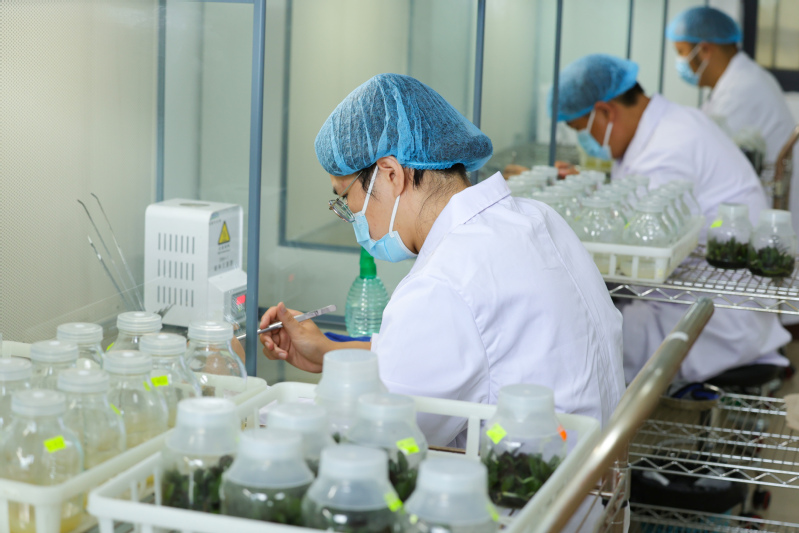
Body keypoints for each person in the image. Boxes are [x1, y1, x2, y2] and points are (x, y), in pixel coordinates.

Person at [259, 73, 625, 448]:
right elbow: (442, 359)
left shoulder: (443, 283)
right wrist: (329, 353)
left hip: (534, 481)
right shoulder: (537, 218)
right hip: (592, 471)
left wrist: (258, 412)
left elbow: (383, 439)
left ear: (390, 174)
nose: (349, 214)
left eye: (344, 197)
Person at [552, 54, 790, 384]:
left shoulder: (666, 151)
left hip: (712, 320)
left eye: (582, 131)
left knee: (582, 348)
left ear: (605, 111)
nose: (585, 143)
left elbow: (636, 233)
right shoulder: (670, 125)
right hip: (709, 301)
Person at [667, 7, 799, 238]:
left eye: (681, 52)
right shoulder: (736, 80)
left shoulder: (741, 90)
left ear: (704, 50)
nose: (680, 62)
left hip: (766, 212)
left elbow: (704, 154)